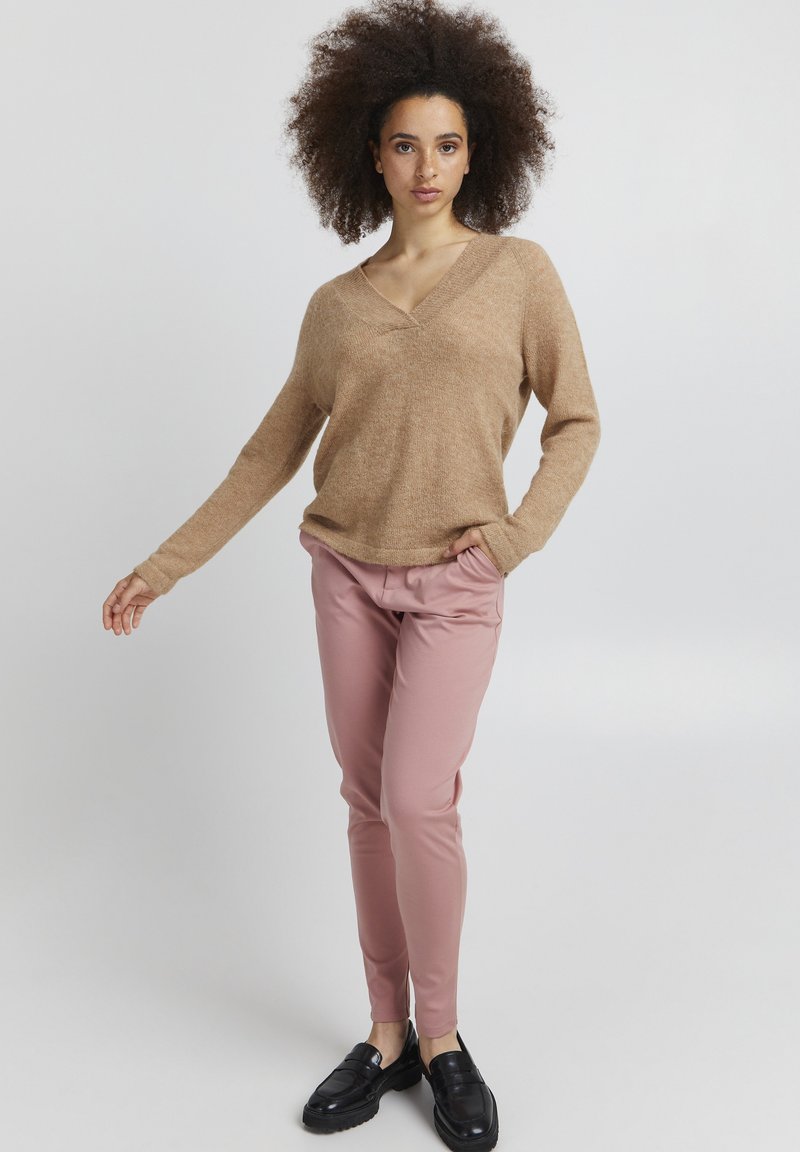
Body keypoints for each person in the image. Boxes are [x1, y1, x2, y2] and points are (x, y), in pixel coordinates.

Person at [102, 1, 601, 1148]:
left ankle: (444, 1038)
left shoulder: (517, 273)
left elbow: (574, 420)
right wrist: (162, 567)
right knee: (367, 803)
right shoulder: (334, 309)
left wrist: (513, 539)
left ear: (476, 153)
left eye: (447, 144)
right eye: (404, 144)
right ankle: (386, 1035)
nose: (426, 167)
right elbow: (267, 456)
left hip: (456, 582)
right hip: (345, 577)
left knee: (418, 797)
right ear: (369, 154)